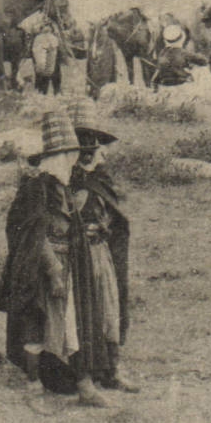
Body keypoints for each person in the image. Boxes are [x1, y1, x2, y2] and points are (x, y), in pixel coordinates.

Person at [0, 112, 108, 407]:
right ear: (56, 157)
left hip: (70, 267)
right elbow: (32, 233)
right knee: (37, 325)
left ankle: (84, 387)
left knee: (73, 324)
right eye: (68, 155)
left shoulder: (63, 187)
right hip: (41, 269)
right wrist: (53, 269)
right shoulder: (35, 188)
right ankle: (33, 387)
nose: (73, 161)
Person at [68, 99, 135, 392]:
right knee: (83, 314)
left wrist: (106, 225)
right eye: (81, 140)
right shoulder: (62, 177)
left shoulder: (101, 175)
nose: (87, 148)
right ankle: (84, 376)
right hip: (75, 256)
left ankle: (112, 370)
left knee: (110, 308)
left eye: (91, 140)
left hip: (101, 252)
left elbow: (113, 213)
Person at [151, 24, 209, 89]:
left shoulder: (162, 52)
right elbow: (204, 61)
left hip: (165, 83)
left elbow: (158, 69)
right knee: (202, 70)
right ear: (182, 39)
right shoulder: (183, 52)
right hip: (181, 84)